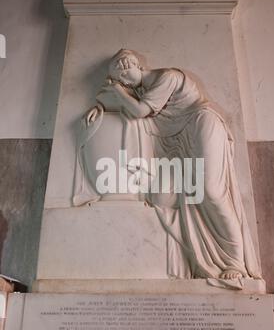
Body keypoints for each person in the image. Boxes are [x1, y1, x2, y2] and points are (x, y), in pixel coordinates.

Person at [89, 49, 262, 285]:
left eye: (125, 71)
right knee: (161, 198)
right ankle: (189, 260)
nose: (124, 80)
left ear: (135, 64)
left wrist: (118, 92)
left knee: (210, 191)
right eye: (120, 78)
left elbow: (138, 110)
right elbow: (122, 108)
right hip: (175, 145)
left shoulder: (166, 77)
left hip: (201, 124)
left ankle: (235, 262)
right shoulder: (140, 92)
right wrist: (98, 110)